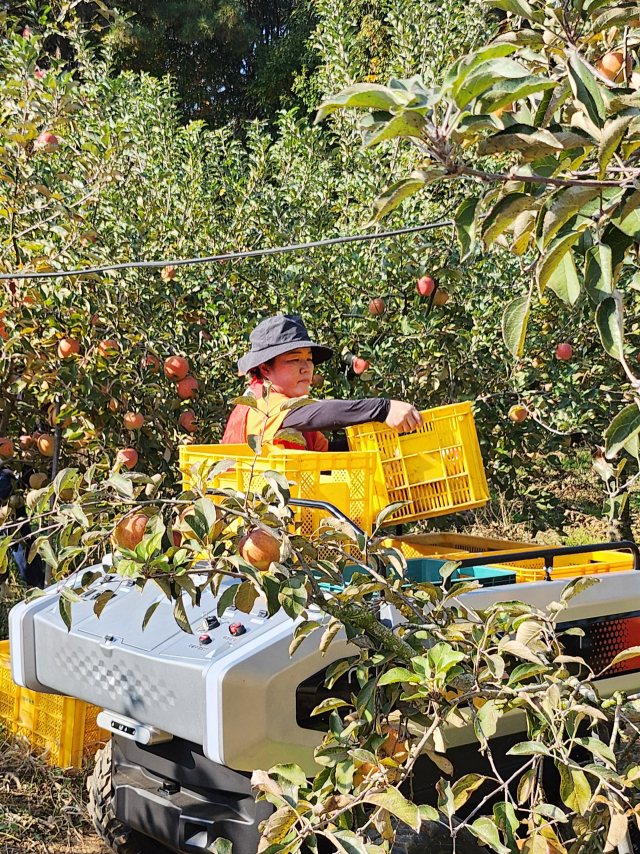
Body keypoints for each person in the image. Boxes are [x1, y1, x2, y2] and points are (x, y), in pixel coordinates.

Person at [222, 314, 423, 451]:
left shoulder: (295, 411)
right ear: (265, 368)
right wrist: (383, 409)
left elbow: (325, 454)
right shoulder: (261, 403)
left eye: (308, 359)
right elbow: (318, 413)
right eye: (294, 359)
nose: (306, 368)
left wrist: (388, 444)